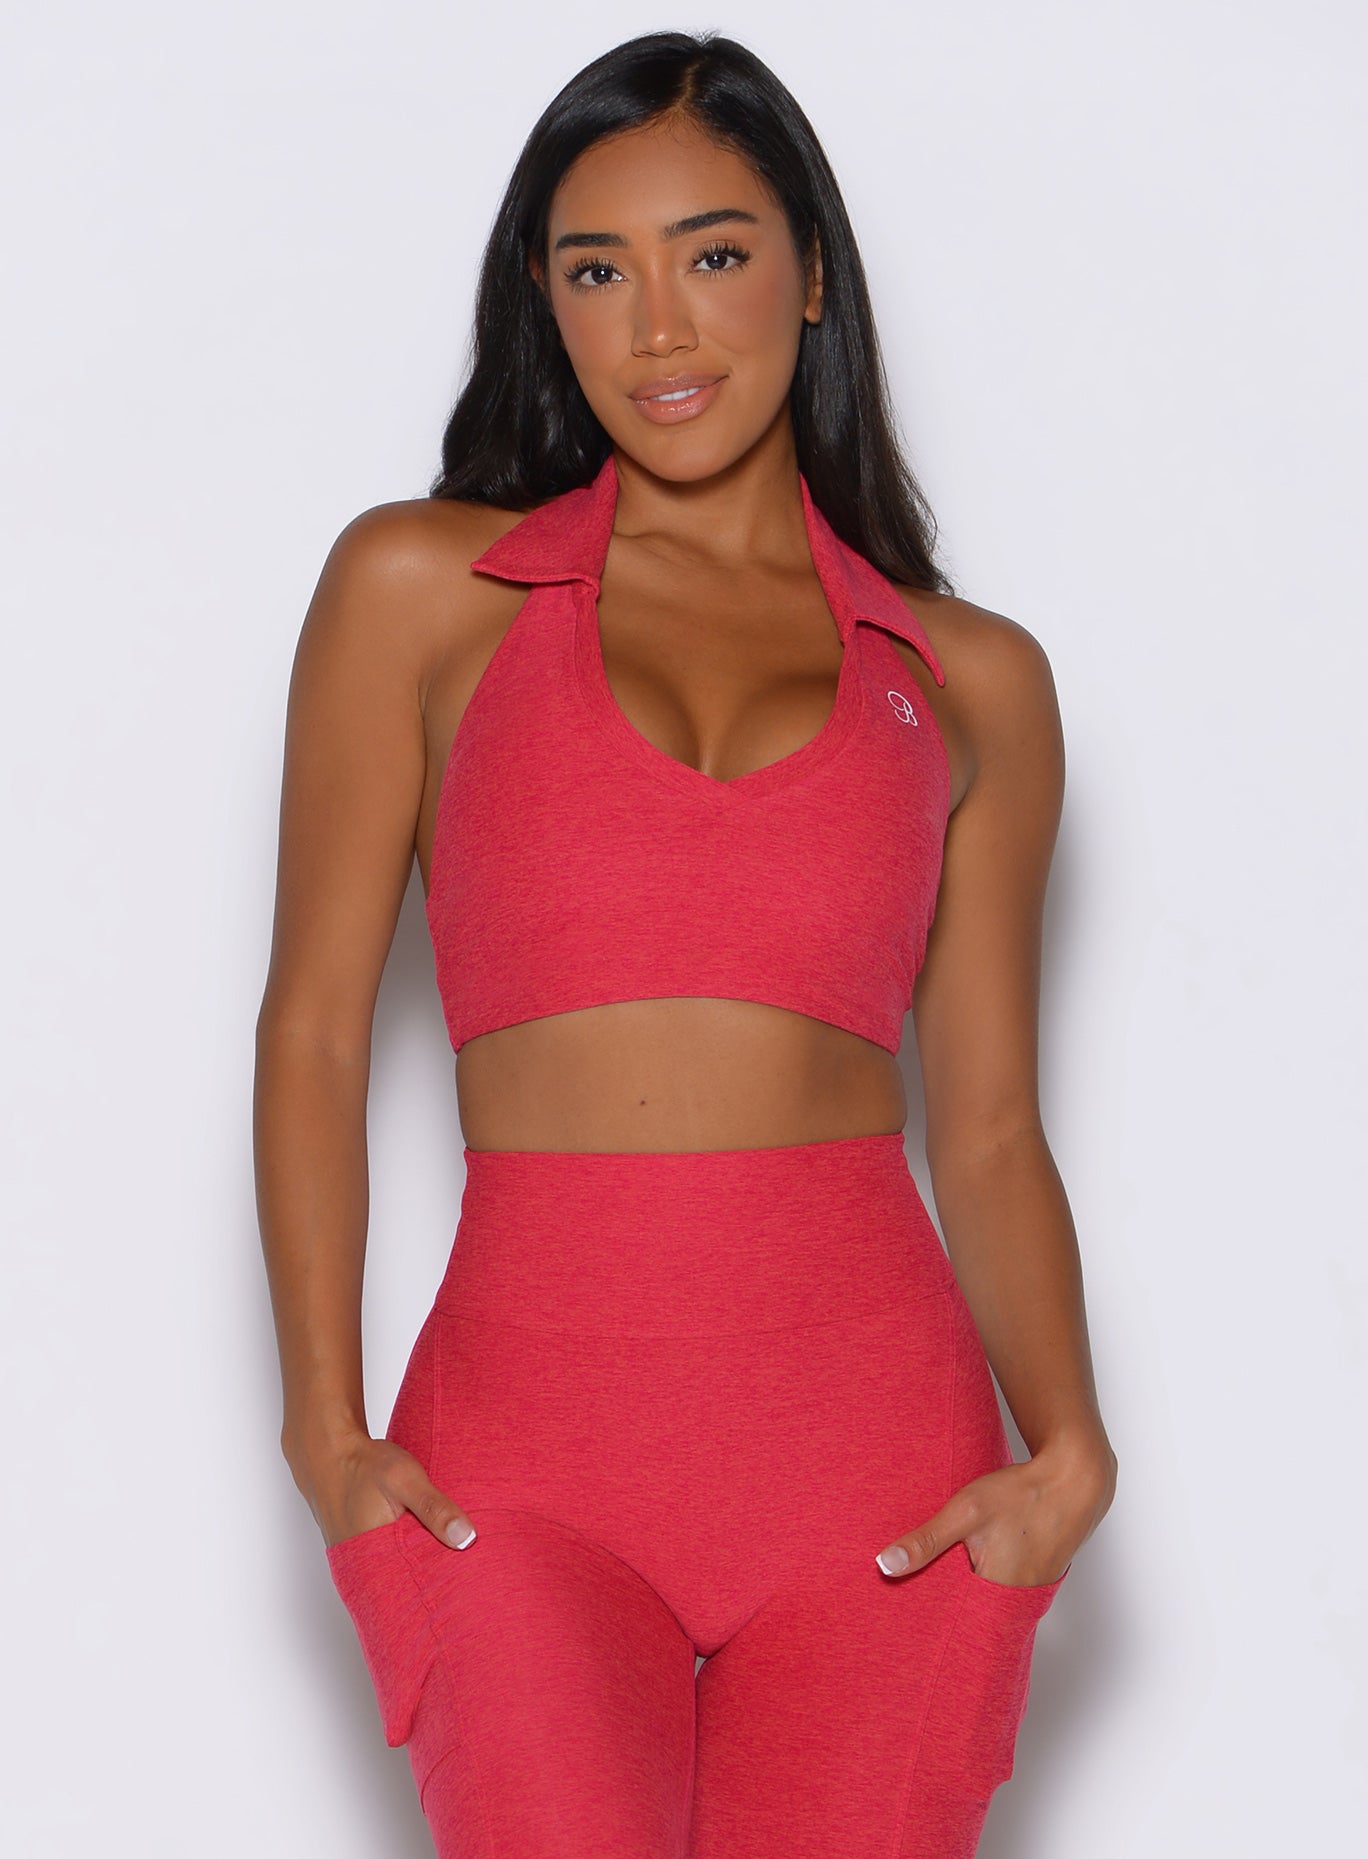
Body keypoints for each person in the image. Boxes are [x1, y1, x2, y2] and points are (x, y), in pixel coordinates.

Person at [254, 28, 1117, 1859]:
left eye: (714, 254)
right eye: (598, 272)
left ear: (810, 277)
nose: (660, 326)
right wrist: (321, 1432)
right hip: (523, 1470)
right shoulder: (422, 595)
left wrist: (1070, 1456)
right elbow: (315, 1037)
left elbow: (986, 1131)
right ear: (545, 305)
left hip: (883, 1481)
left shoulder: (973, 682)